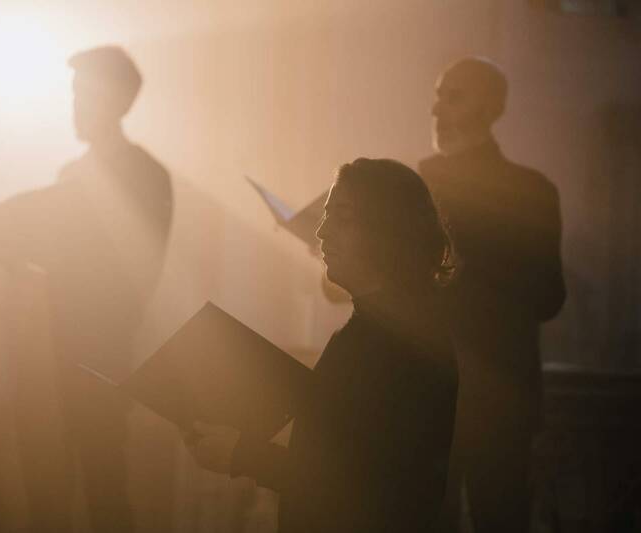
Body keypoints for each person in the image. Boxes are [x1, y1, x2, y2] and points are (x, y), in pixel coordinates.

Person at [186, 158, 458, 533]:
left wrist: (242, 455)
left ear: (389, 230)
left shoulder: (396, 346)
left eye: (342, 217)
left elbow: (362, 487)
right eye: (325, 215)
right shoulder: (379, 332)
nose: (321, 231)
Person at [0, 46, 172, 532]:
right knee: (42, 483)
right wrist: (6, 248)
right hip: (46, 348)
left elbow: (125, 270)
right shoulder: (72, 175)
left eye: (87, 95)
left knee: (103, 485)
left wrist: (11, 231)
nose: (75, 108)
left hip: (97, 355)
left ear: (120, 101)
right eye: (74, 95)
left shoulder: (143, 176)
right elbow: (56, 255)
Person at [418, 57, 566, 533]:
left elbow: (548, 296)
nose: (437, 107)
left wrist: (472, 268)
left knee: (498, 520)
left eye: (453, 95)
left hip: (499, 402)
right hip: (428, 390)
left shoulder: (530, 191)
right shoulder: (419, 182)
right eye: (438, 94)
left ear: (491, 108)